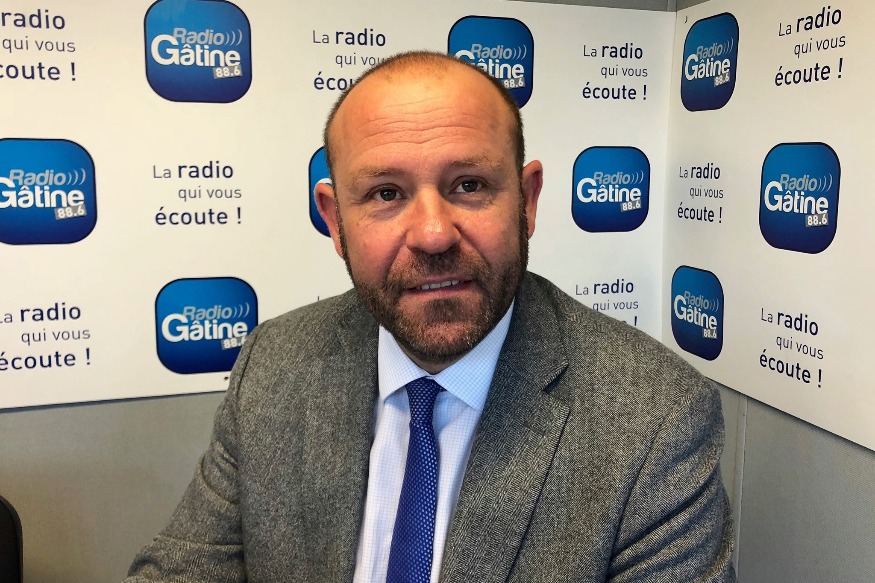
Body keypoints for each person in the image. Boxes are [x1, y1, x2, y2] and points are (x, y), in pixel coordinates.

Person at [125, 51, 735, 582]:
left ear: (526, 202)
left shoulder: (656, 419)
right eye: (386, 194)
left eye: (469, 185)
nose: (434, 234)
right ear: (335, 221)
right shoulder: (274, 366)